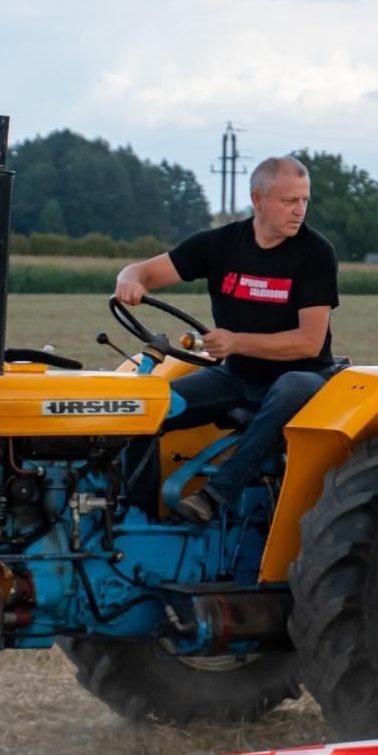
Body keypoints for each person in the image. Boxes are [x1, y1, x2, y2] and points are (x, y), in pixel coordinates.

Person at [114, 155, 340, 524]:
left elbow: (309, 343)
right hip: (234, 377)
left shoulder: (315, 254)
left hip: (302, 378)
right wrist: (130, 279)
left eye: (304, 200)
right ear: (258, 199)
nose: (299, 210)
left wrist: (236, 342)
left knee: (292, 385)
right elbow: (143, 270)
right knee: (145, 407)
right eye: (289, 201)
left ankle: (214, 496)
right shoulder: (221, 244)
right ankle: (133, 517)